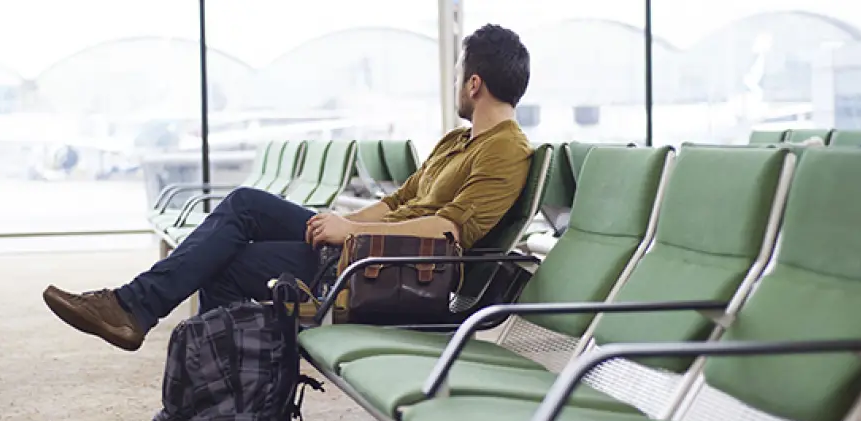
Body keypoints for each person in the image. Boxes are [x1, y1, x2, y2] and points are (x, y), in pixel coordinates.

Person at [43, 22, 533, 354]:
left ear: (473, 84)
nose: (454, 85)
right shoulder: (456, 141)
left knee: (227, 265)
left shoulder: (507, 149)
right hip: (365, 249)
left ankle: (162, 353)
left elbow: (450, 232)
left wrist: (351, 235)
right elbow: (399, 201)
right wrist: (341, 224)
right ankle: (146, 328)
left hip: (389, 270)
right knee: (245, 206)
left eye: (457, 76)